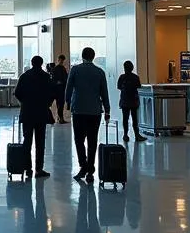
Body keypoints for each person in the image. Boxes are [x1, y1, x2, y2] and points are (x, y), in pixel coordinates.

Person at [65, 47, 110, 184]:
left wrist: (68, 103)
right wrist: (107, 110)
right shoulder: (100, 72)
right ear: (93, 56)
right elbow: (104, 92)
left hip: (78, 110)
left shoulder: (75, 70)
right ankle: (90, 170)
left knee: (79, 140)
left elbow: (68, 88)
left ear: (82, 56)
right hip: (95, 111)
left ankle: (83, 166)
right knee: (92, 140)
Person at [14, 55, 54, 178]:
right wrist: (46, 104)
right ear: (41, 64)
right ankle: (39, 169)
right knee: (40, 142)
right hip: (41, 113)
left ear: (31, 63)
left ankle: (28, 169)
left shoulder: (24, 76)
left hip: (27, 112)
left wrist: (25, 103)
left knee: (27, 141)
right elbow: (51, 94)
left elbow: (17, 93)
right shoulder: (46, 77)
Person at [117, 60, 148, 143]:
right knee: (135, 119)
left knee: (125, 119)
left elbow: (119, 87)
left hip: (124, 100)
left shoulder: (122, 77)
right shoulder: (135, 77)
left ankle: (125, 135)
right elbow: (138, 86)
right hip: (134, 101)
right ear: (132, 68)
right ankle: (137, 135)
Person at [52, 54, 69, 123]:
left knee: (59, 104)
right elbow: (64, 79)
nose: (62, 62)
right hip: (60, 89)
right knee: (60, 104)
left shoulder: (57, 68)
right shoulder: (60, 68)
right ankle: (60, 118)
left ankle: (60, 118)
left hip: (58, 89)